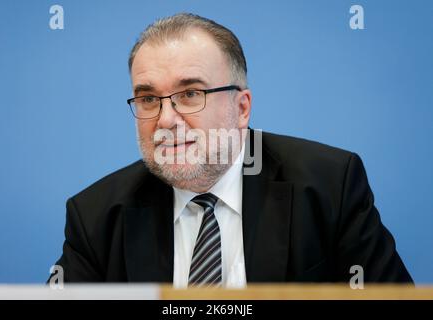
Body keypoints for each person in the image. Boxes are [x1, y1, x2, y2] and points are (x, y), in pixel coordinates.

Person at [50, 13, 412, 287]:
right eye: (148, 99)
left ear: (241, 108)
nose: (166, 120)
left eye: (190, 94)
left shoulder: (330, 185)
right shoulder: (95, 215)